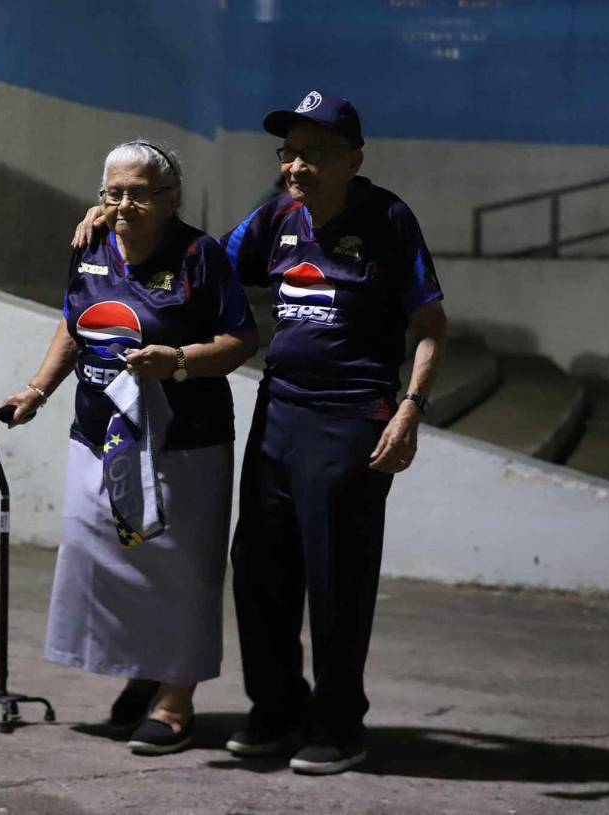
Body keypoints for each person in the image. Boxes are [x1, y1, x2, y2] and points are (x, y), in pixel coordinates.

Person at [73, 92, 447, 775]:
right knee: (261, 567)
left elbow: (429, 322)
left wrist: (411, 406)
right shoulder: (277, 215)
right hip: (280, 410)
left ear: (353, 159)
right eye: (289, 152)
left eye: (314, 154)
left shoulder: (387, 219)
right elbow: (206, 260)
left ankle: (337, 724)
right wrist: (128, 216)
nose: (296, 166)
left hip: (353, 417)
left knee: (337, 576)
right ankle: (276, 709)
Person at [0, 140, 258, 756]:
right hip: (99, 434)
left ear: (170, 199)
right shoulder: (89, 244)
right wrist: (37, 390)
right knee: (105, 556)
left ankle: (175, 701)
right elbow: (73, 321)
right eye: (112, 193)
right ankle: (142, 671)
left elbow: (241, 339)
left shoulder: (201, 255)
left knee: (181, 567)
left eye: (138, 193)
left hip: (182, 441)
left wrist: (181, 362)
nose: (123, 205)